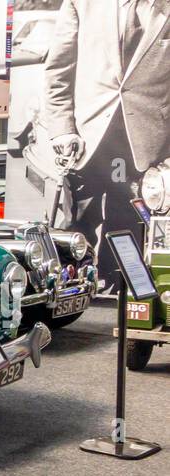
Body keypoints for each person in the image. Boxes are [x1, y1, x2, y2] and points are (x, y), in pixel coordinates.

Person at [44, 0, 170, 289]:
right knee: (77, 221)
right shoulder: (81, 3)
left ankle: (119, 293)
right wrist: (62, 130)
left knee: (129, 223)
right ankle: (71, 293)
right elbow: (58, 72)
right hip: (88, 138)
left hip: (146, 144)